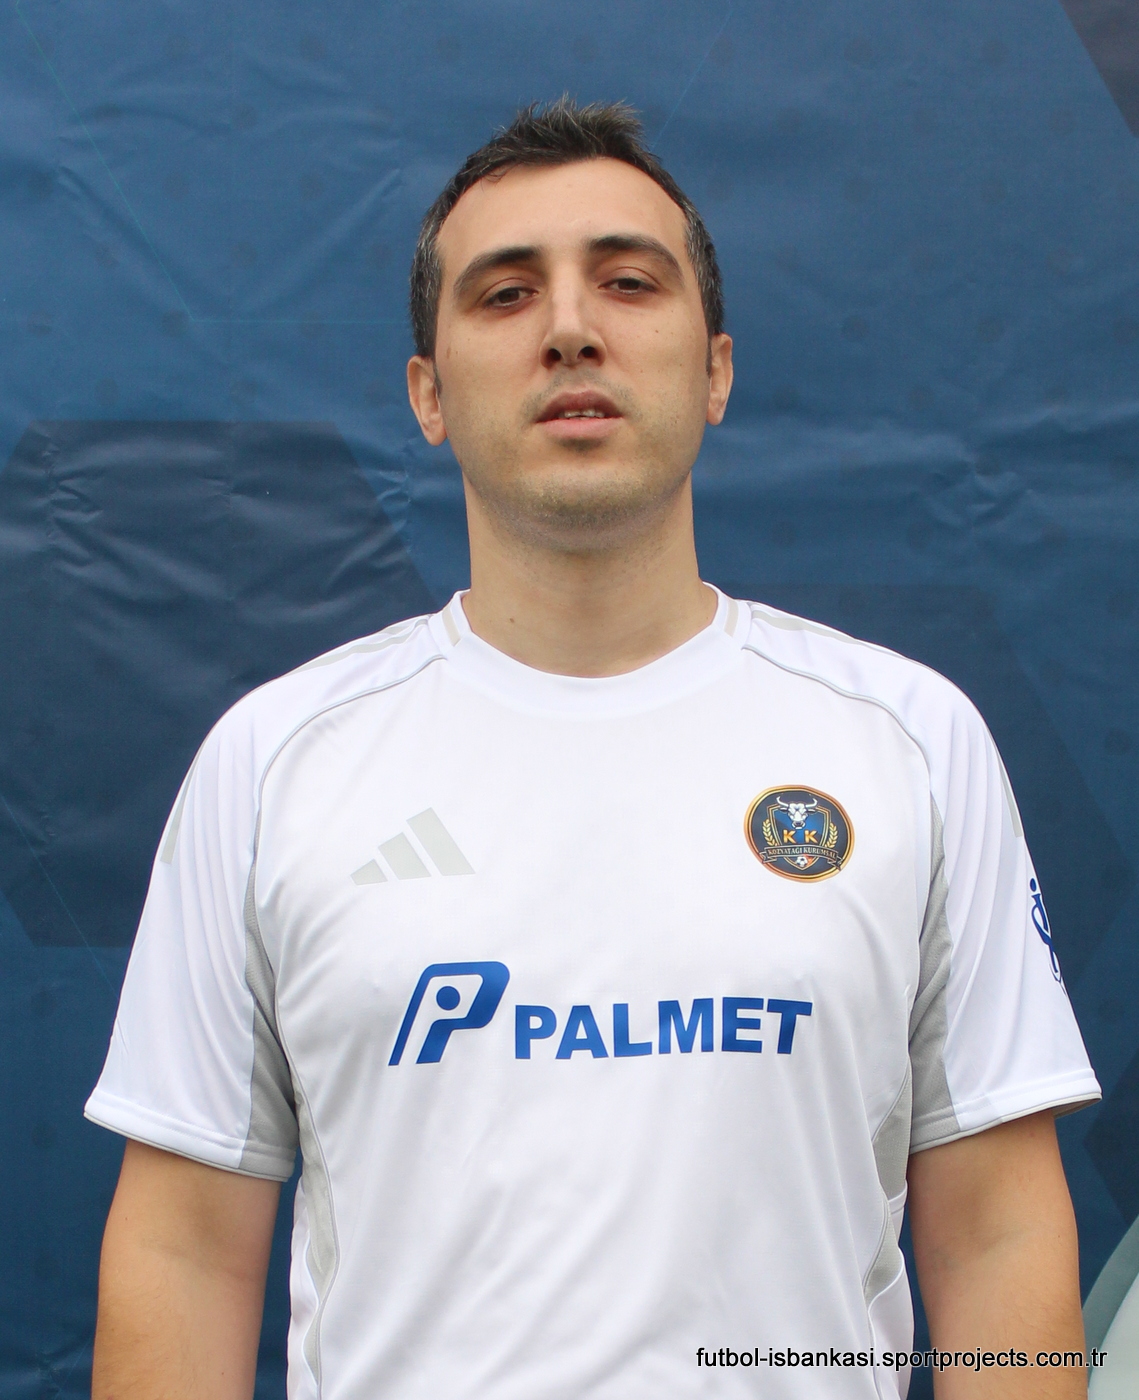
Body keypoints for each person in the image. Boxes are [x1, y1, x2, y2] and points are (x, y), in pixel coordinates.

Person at [87, 99, 1100, 1400]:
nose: (570, 328)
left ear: (715, 370)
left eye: (628, 281)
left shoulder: (908, 740)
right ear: (428, 393)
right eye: (506, 294)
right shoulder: (277, 761)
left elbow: (996, 1228)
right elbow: (183, 1247)